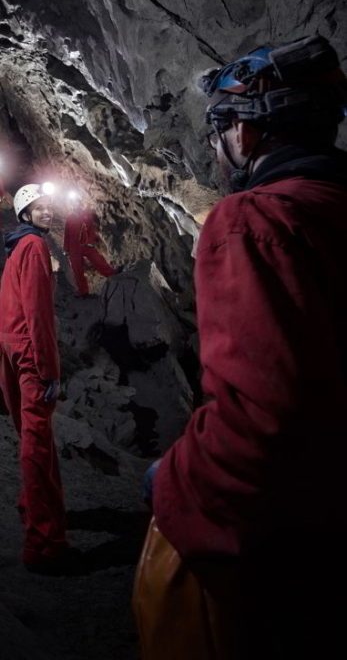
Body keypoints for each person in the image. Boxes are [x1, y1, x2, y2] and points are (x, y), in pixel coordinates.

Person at [133, 34, 347, 659]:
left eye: (221, 129)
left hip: (292, 543)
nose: (217, 146)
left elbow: (258, 422)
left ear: (247, 135)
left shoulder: (253, 219)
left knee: (164, 571)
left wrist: (173, 480)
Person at [0, 184, 79, 574]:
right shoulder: (34, 248)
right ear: (24, 213)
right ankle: (44, 544)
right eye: (38, 207)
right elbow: (38, 312)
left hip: (7, 346)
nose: (47, 211)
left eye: (49, 206)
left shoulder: (17, 246)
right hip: (28, 352)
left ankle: (31, 508)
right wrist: (49, 369)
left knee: (28, 436)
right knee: (38, 444)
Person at [63, 192, 115, 296]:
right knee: (77, 269)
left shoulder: (85, 215)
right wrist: (66, 249)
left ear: (79, 203)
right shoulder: (70, 218)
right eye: (73, 203)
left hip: (85, 244)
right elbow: (67, 234)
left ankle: (111, 274)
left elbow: (92, 229)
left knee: (97, 259)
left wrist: (90, 242)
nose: (75, 205)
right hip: (74, 247)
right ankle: (83, 291)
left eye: (76, 202)